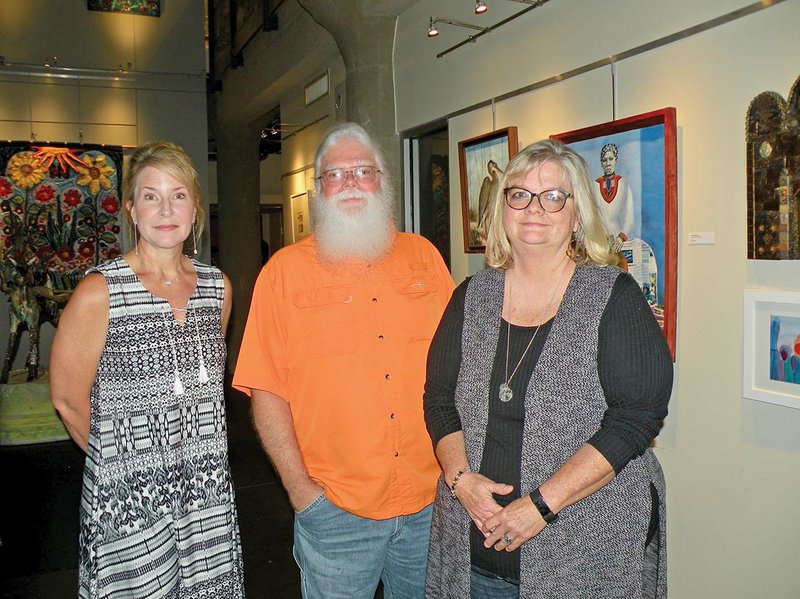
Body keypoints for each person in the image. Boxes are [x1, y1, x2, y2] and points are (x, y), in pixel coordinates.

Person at [424, 139, 672, 598]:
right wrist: (460, 481)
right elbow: (439, 401)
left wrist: (539, 506)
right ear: (502, 209)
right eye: (519, 194)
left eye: (553, 196)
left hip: (581, 551)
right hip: (471, 548)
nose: (534, 208)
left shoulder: (613, 297)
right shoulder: (471, 296)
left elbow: (636, 418)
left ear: (577, 214)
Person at [233, 122, 454, 599]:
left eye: (363, 171)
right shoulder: (283, 275)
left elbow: (461, 371)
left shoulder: (425, 260)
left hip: (429, 506)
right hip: (335, 511)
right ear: (319, 190)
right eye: (335, 174)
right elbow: (266, 389)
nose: (350, 182)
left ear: (383, 181)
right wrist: (302, 493)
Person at [50, 141, 245, 598]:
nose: (165, 208)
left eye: (178, 195)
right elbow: (66, 398)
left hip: (206, 494)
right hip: (130, 502)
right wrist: (122, 465)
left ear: (195, 209)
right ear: (133, 211)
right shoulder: (101, 291)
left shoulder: (218, 288)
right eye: (151, 196)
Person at [595, 142, 636, 242]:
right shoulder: (594, 185)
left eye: (611, 159)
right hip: (598, 240)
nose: (608, 163)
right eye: (604, 160)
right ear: (601, 163)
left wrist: (621, 237)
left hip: (617, 239)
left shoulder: (624, 184)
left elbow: (629, 216)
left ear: (616, 160)